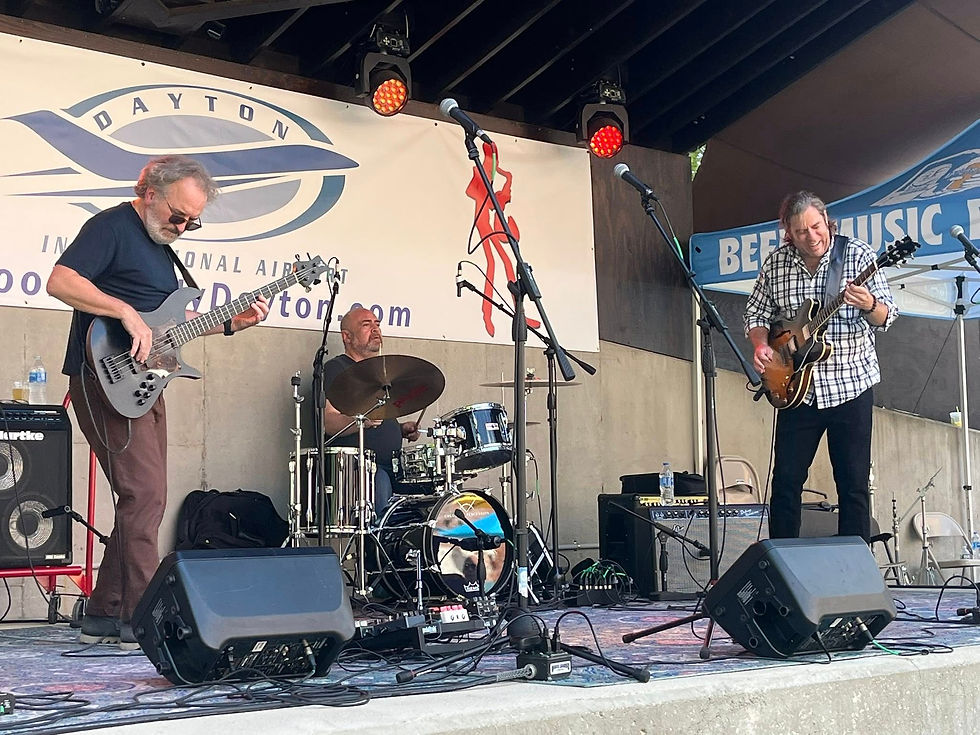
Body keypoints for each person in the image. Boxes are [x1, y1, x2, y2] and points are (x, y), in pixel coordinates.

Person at [45, 155, 269, 647]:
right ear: (149, 193)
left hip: (145, 383)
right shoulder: (111, 227)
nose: (182, 227)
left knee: (146, 499)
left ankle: (106, 612)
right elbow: (60, 281)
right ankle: (148, 620)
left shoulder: (162, 250)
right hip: (104, 379)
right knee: (144, 496)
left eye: (193, 222)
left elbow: (167, 328)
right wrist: (124, 312)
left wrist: (231, 323)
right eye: (178, 215)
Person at [745, 190, 897, 541]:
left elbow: (887, 316)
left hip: (850, 386)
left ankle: (854, 564)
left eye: (816, 227)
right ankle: (783, 562)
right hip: (797, 390)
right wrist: (762, 345)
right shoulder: (776, 263)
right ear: (788, 232)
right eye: (801, 231)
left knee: (853, 484)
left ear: (827, 221)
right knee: (785, 482)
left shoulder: (857, 254)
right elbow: (755, 313)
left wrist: (868, 304)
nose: (811, 237)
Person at [321, 307, 420, 512]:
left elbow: (379, 419)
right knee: (379, 486)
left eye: (377, 324)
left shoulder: (381, 373)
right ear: (347, 337)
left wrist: (400, 429)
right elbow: (328, 422)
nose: (375, 329)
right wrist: (361, 421)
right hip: (362, 468)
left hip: (394, 465)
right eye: (366, 325)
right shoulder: (337, 369)